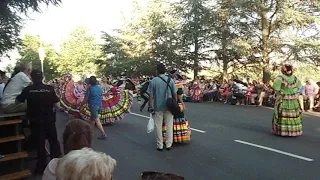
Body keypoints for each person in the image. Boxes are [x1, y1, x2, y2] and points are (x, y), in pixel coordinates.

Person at [16, 70, 62, 174]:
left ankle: (41, 167)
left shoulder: (28, 89)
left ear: (31, 78)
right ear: (42, 77)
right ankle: (58, 165)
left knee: (40, 144)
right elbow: (58, 105)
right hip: (49, 120)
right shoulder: (49, 89)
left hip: (36, 121)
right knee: (53, 141)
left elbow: (18, 101)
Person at [147, 63, 177, 151]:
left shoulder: (153, 81)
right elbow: (175, 93)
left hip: (158, 106)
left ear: (157, 71)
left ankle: (159, 145)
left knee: (158, 126)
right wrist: (175, 103)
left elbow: (151, 95)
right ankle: (168, 144)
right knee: (169, 125)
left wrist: (150, 106)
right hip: (169, 106)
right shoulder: (170, 80)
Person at [272, 64, 302, 136]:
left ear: (283, 70)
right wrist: (293, 91)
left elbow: (276, 88)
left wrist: (281, 91)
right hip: (293, 98)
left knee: (282, 112)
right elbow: (299, 87)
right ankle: (294, 131)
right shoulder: (295, 78)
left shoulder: (280, 78)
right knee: (294, 112)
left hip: (284, 97)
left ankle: (284, 131)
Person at [162, 69, 191, 143]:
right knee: (178, 118)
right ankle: (177, 137)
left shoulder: (165, 82)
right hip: (176, 103)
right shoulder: (178, 83)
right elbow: (179, 95)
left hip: (167, 102)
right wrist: (183, 104)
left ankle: (168, 137)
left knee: (168, 120)